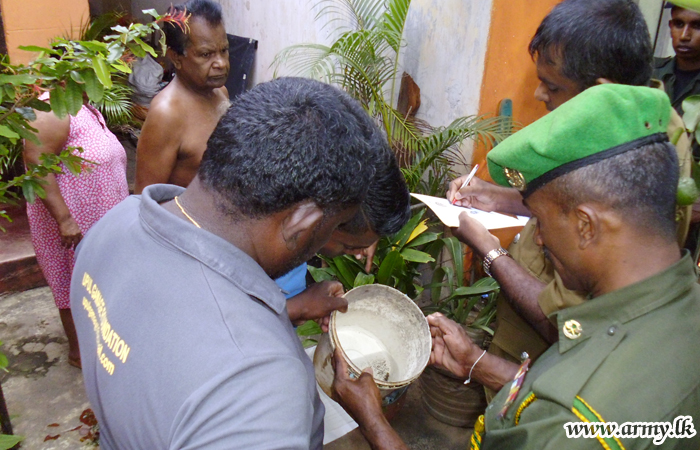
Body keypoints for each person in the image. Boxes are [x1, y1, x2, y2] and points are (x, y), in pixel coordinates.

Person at [334, 84, 700, 449]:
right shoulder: (677, 309)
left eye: (539, 221)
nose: (538, 239)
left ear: (586, 225)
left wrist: (373, 421)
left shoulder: (573, 422)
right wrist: (478, 364)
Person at [69, 77, 404, 449]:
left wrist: (283, 311)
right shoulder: (258, 388)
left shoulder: (112, 226)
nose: (330, 241)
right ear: (301, 221)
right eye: (335, 226)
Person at [447, 0, 693, 372]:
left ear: (599, 94)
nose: (539, 96)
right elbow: (565, 204)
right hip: (521, 335)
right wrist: (501, 198)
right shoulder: (622, 122)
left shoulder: (640, 160)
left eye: (551, 85)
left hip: (555, 362)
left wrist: (489, 251)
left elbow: (564, 322)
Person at [24, 95, 129, 369]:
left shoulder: (85, 106)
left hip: (101, 224)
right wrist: (65, 219)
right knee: (76, 286)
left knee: (102, 287)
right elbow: (36, 164)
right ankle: (82, 356)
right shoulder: (52, 108)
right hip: (75, 227)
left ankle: (103, 349)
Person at [133, 0, 230, 193]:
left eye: (224, 50)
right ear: (176, 57)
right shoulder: (167, 114)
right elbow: (146, 199)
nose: (221, 63)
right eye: (205, 54)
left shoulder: (220, 93)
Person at [654, 0, 700, 116]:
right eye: (678, 24)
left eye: (697, 26)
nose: (684, 36)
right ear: (670, 27)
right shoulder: (649, 72)